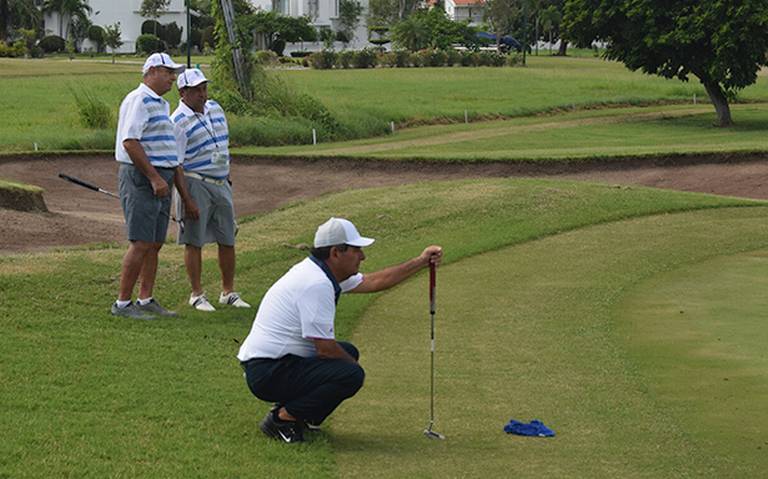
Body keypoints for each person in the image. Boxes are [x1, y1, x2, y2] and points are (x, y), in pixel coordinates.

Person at [237, 217, 443, 443]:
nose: (363, 257)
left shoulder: (322, 272)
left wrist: (421, 262)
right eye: (356, 250)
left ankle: (304, 416)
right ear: (336, 253)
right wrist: (353, 370)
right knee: (350, 373)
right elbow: (325, 349)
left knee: (348, 354)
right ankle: (281, 420)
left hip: (274, 363)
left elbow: (374, 281)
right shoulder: (316, 283)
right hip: (267, 372)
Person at [111, 53, 196, 320]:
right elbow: (130, 142)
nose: (173, 77)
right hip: (143, 177)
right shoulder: (139, 100)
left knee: (154, 243)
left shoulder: (158, 103)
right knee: (141, 242)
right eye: (169, 72)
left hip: (160, 178)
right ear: (152, 71)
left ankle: (145, 298)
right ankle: (123, 304)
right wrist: (154, 177)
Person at [171, 68, 251, 312]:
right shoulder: (177, 121)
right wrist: (187, 199)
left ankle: (228, 291)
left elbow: (222, 144)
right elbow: (177, 164)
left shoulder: (215, 108)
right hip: (196, 183)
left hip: (220, 182)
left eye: (204, 88)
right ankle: (197, 294)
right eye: (197, 90)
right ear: (183, 92)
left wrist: (226, 175)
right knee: (194, 240)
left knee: (227, 237)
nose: (203, 94)